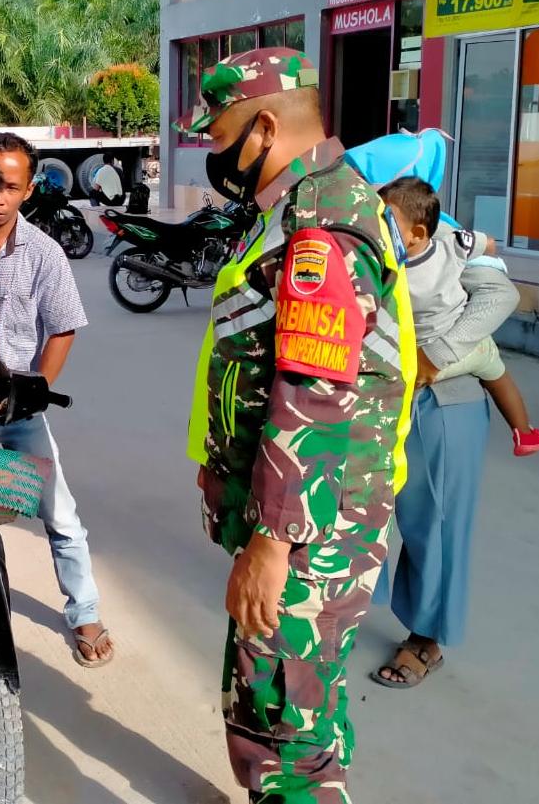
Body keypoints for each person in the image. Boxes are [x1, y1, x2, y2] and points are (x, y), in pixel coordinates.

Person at [175, 47, 416, 802]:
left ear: (266, 127)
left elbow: (312, 394)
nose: (215, 158)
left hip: (310, 525)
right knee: (307, 705)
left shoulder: (319, 224)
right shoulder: (308, 205)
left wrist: (272, 544)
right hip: (314, 512)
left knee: (282, 726)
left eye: (220, 139)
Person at [343, 130, 521, 689]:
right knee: (363, 507)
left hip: (441, 400)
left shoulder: (451, 242)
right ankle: (348, 606)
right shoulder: (367, 236)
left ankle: (427, 638)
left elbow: (498, 298)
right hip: (383, 395)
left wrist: (436, 356)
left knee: (434, 522)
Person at [0, 132, 114, 667]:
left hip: (14, 406)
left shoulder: (44, 253)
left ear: (29, 189)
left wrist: (35, 388)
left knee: (59, 511)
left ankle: (84, 609)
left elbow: (62, 329)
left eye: (10, 187)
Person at [379, 177, 539, 456]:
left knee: (408, 380)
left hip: (452, 346)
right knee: (497, 376)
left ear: (418, 232)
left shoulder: (392, 267)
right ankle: (525, 433)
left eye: (387, 223)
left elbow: (505, 294)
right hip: (452, 334)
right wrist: (486, 249)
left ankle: (388, 446)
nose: (379, 228)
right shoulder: (453, 244)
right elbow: (488, 243)